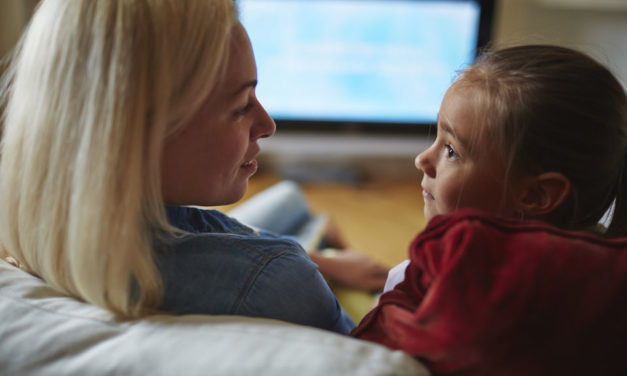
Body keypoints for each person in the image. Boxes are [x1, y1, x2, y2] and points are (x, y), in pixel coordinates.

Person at [0, 0, 384, 335]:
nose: (268, 125)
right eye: (240, 107)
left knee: (289, 197)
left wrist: (322, 264)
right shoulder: (280, 279)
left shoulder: (37, 219)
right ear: (137, 135)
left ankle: (317, 236)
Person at [351, 45, 627, 373]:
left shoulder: (420, 288)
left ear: (537, 194)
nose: (422, 160)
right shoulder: (602, 290)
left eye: (451, 150)